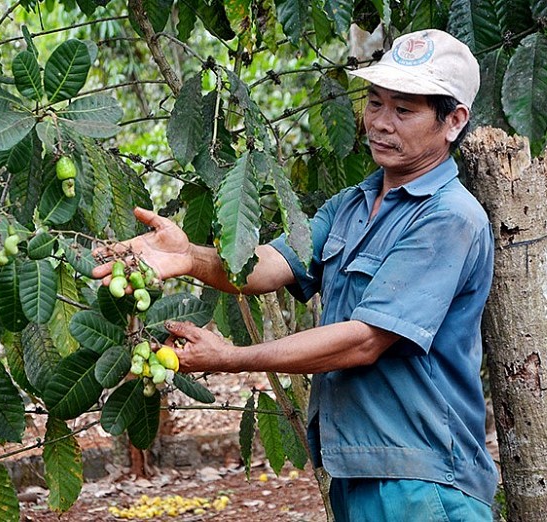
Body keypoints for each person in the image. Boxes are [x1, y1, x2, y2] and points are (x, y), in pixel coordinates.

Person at [93, 29, 498, 521]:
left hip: (424, 480)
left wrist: (231, 358)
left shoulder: (448, 218)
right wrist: (188, 256)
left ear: (453, 121)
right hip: (361, 467)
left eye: (403, 110)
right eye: (374, 103)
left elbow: (363, 341)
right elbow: (268, 265)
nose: (381, 123)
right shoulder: (352, 204)